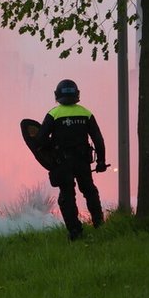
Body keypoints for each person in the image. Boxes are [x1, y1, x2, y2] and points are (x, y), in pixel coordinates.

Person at [36, 79, 107, 241]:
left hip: (62, 163)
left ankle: (75, 231)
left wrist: (51, 147)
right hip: (82, 161)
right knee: (89, 191)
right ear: (77, 94)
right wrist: (101, 161)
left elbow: (40, 139)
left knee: (67, 195)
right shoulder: (86, 113)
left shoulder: (53, 114)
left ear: (57, 95)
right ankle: (99, 224)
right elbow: (98, 139)